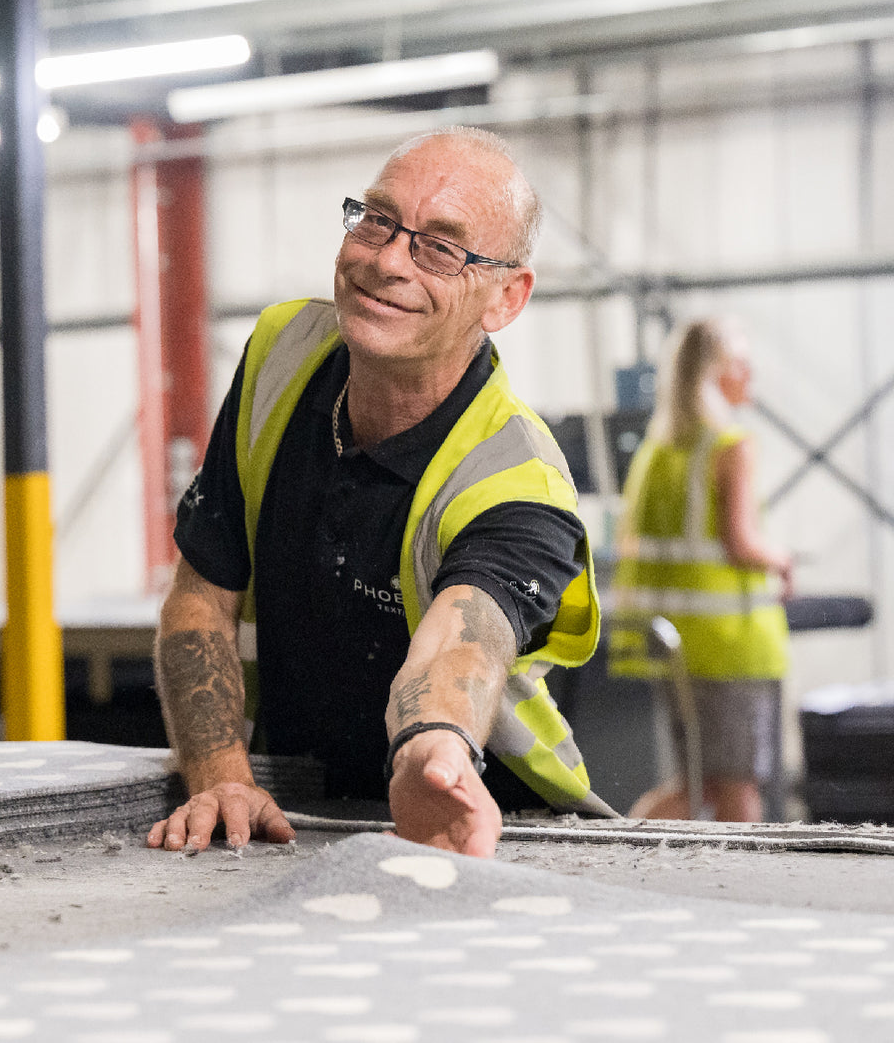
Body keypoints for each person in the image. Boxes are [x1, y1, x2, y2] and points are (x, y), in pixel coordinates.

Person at [146, 127, 613, 860]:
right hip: (308, 812)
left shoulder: (519, 481)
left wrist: (434, 749)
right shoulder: (281, 352)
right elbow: (203, 592)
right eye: (376, 219)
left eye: (440, 247)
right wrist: (221, 777)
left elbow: (464, 643)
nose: (386, 260)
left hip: (495, 822)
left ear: (506, 297)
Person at [609, 318, 793, 823]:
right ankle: (745, 892)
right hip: (730, 645)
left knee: (701, 784)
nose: (749, 374)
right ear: (715, 372)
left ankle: (622, 847)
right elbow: (741, 542)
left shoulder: (659, 451)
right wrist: (782, 558)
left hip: (676, 645)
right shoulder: (730, 446)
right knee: (736, 788)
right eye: (741, 362)